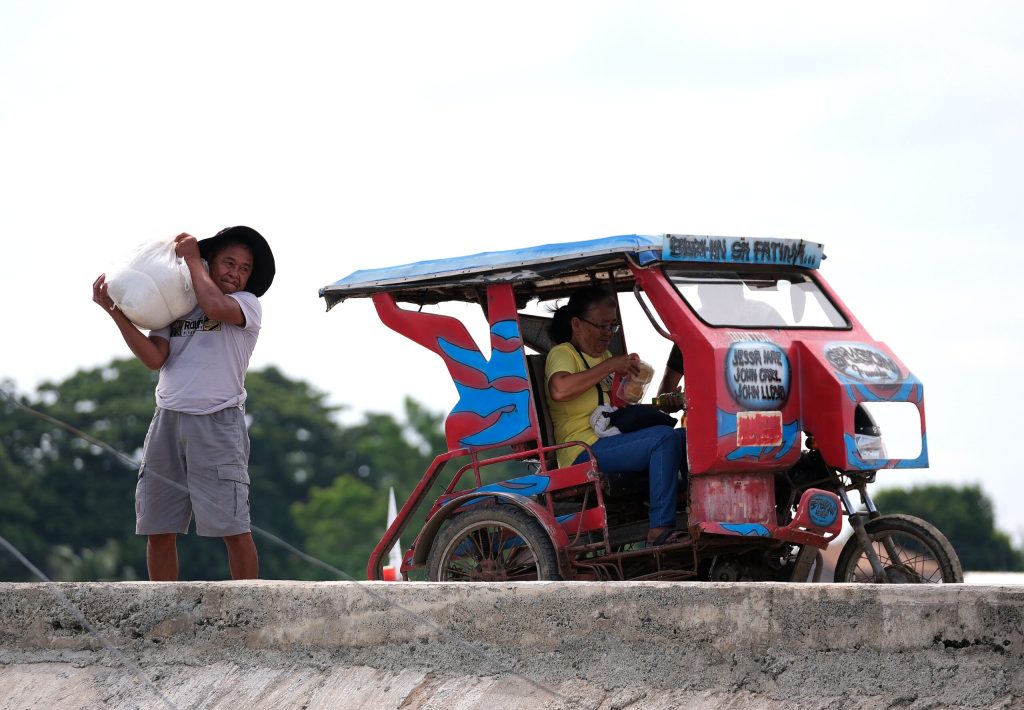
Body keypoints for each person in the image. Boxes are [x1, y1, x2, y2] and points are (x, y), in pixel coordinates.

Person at [92, 226, 274, 581]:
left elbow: (216, 306)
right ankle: (163, 618)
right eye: (228, 263)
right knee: (157, 525)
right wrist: (116, 312)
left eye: (244, 268)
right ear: (212, 262)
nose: (235, 273)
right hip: (167, 420)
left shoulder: (246, 305)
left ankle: (252, 612)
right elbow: (154, 357)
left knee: (232, 525)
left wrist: (191, 258)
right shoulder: (177, 305)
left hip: (217, 421)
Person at [545, 286, 686, 546]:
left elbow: (622, 409)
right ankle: (660, 529)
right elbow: (560, 389)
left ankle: (688, 511)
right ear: (577, 324)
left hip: (610, 440)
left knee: (684, 437)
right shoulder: (564, 353)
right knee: (664, 440)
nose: (608, 334)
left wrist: (661, 403)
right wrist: (610, 366)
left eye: (612, 326)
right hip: (581, 451)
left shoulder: (605, 357)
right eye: (601, 326)